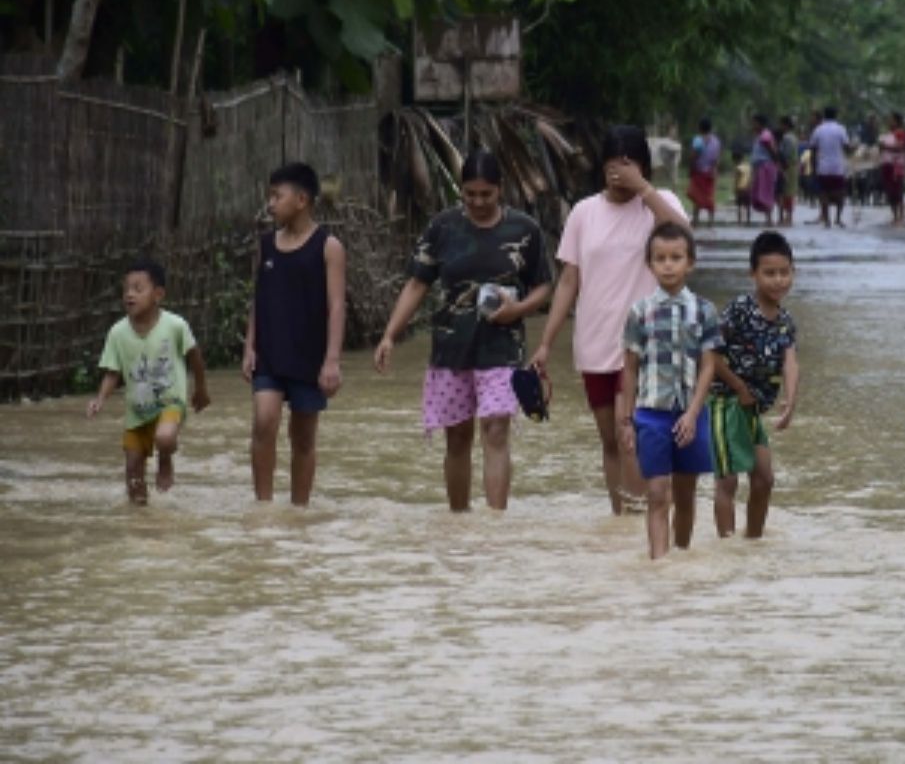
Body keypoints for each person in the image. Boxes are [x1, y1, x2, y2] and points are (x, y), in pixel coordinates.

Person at [374, 151, 552, 512]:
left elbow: (544, 285)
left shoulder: (525, 230)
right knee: (457, 438)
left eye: (486, 194)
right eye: (469, 194)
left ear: (500, 190)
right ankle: (459, 523)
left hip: (504, 349)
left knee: (496, 430)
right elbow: (416, 284)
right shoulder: (442, 228)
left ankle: (495, 524)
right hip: (451, 349)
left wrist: (519, 310)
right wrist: (390, 334)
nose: (478, 202)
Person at [531, 125, 692, 515]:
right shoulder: (584, 213)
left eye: (629, 167)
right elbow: (569, 280)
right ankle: (621, 521)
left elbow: (685, 240)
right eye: (613, 168)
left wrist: (644, 190)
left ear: (643, 168)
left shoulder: (659, 204)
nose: (620, 176)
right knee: (609, 440)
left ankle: (646, 518)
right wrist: (546, 343)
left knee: (635, 436)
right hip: (595, 341)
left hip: (649, 343)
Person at [242, 162, 346, 506]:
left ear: (302, 200)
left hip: (309, 357)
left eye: (277, 196)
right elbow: (258, 299)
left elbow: (336, 307)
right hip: (270, 352)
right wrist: (249, 346)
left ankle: (299, 509)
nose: (270, 204)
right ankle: (263, 506)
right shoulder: (266, 245)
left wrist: (331, 360)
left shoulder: (328, 247)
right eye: (269, 196)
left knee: (302, 438)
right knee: (264, 421)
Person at [618, 223, 722, 559]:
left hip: (691, 412)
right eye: (660, 258)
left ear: (690, 263)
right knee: (657, 493)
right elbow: (630, 367)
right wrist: (626, 419)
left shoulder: (705, 311)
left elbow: (709, 365)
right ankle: (659, 565)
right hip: (650, 413)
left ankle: (680, 555)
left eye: (676, 257)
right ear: (649, 264)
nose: (668, 265)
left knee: (686, 494)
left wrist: (693, 413)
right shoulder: (639, 312)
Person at [86, 259, 210, 504]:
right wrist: (100, 398)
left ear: (158, 294)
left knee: (164, 438)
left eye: (138, 288)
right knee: (133, 474)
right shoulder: (118, 333)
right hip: (137, 412)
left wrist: (201, 389)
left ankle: (165, 459)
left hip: (169, 402)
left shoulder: (175, 325)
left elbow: (195, 355)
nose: (130, 294)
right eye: (126, 289)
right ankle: (141, 522)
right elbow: (113, 372)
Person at [708, 231, 799, 539]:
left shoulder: (785, 320)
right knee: (728, 482)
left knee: (764, 480)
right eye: (769, 273)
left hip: (751, 410)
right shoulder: (740, 310)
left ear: (793, 272)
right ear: (753, 274)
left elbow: (790, 361)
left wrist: (790, 400)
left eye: (784, 273)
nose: (778, 280)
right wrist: (738, 387)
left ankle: (752, 542)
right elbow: (710, 355)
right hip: (723, 404)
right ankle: (727, 546)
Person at [809, 106, 851, 228]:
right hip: (838, 167)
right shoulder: (841, 129)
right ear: (835, 115)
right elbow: (847, 147)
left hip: (823, 167)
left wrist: (813, 166)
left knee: (824, 194)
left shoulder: (818, 130)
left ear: (824, 115)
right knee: (840, 193)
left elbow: (812, 149)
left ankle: (827, 220)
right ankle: (838, 218)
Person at [686, 118, 721, 227]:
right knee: (709, 195)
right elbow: (716, 158)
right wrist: (715, 170)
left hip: (699, 172)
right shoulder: (716, 141)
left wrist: (691, 168)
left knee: (696, 196)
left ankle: (696, 220)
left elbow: (693, 156)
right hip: (710, 173)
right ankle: (711, 221)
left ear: (700, 128)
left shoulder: (698, 140)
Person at [880, 112, 905, 225]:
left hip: (897, 165)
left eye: (891, 120)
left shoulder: (900, 133)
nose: (889, 122)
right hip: (887, 163)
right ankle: (894, 215)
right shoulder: (888, 134)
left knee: (898, 190)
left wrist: (885, 146)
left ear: (897, 121)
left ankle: (901, 216)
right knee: (890, 191)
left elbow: (900, 146)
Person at [749, 114, 778, 225]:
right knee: (761, 192)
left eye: (754, 123)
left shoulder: (765, 135)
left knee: (766, 192)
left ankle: (769, 219)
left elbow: (771, 150)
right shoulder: (759, 136)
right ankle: (767, 218)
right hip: (760, 166)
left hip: (765, 167)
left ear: (760, 123)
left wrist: (776, 162)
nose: (753, 125)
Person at [776, 116, 800, 226]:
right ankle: (788, 216)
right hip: (793, 167)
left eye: (781, 124)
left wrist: (782, 167)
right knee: (790, 192)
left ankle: (783, 217)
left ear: (785, 125)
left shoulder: (786, 138)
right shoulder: (794, 137)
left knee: (784, 192)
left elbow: (784, 154)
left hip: (787, 167)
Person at [733, 151, 752, 225]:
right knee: (748, 206)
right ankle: (748, 221)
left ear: (735, 160)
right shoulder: (748, 166)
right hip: (747, 188)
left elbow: (736, 180)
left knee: (739, 206)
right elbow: (750, 178)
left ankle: (739, 221)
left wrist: (735, 189)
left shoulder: (737, 168)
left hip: (740, 188)